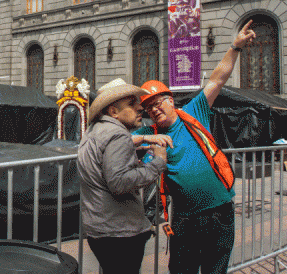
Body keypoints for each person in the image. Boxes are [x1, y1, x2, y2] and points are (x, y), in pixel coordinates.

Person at [133, 20, 256, 274]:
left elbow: (217, 79)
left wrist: (235, 46)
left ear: (171, 100)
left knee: (215, 269)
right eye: (149, 107)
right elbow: (117, 140)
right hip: (185, 220)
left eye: (159, 102)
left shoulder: (194, 112)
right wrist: (145, 139)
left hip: (221, 211)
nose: (155, 109)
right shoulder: (150, 132)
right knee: (182, 270)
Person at [78, 78, 171, 274]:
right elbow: (120, 182)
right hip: (120, 232)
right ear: (113, 111)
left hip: (100, 228)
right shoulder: (117, 135)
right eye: (132, 103)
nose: (140, 108)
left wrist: (141, 141)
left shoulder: (95, 130)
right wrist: (158, 162)